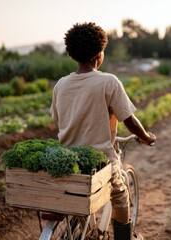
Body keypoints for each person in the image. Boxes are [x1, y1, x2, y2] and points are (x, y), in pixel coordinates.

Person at [50, 22, 156, 240]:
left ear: (72, 53)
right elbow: (130, 120)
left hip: (69, 160)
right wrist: (145, 137)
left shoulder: (61, 84)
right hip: (100, 161)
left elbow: (58, 120)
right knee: (120, 196)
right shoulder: (108, 82)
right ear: (99, 54)